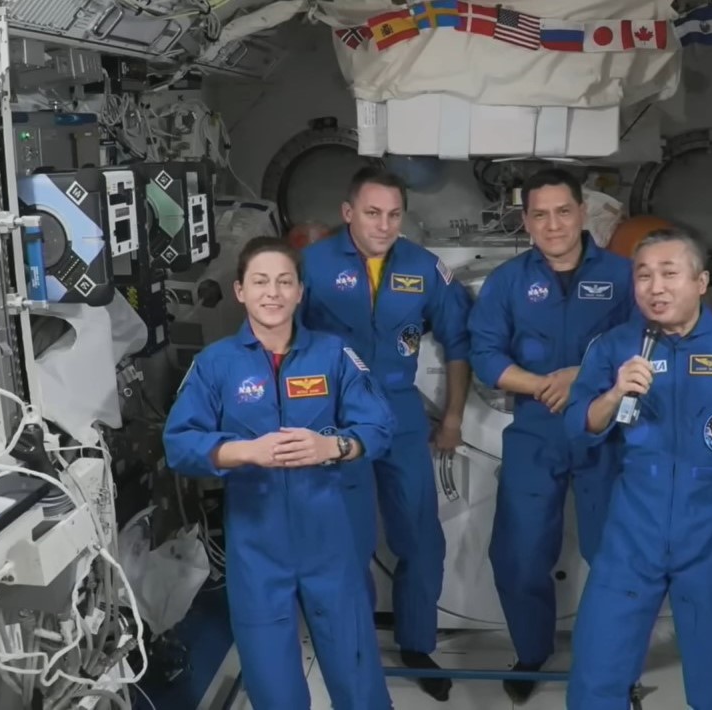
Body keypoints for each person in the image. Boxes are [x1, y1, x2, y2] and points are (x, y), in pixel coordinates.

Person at [563, 229, 712, 709]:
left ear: (701, 282)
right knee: (596, 675)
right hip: (632, 529)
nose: (655, 287)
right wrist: (614, 395)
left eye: (669, 273)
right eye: (644, 275)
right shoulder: (615, 347)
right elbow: (578, 424)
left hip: (709, 531)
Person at [163, 237, 394, 709]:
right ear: (240, 291)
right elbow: (179, 444)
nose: (273, 293)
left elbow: (380, 426)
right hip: (257, 548)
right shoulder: (216, 364)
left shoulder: (333, 356)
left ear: (300, 292)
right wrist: (244, 452)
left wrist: (332, 445)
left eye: (284, 281)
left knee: (357, 677)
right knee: (272, 686)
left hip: (330, 539)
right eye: (261, 282)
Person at [300, 167, 472, 701]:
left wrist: (452, 418)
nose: (384, 224)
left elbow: (459, 344)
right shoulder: (313, 265)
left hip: (398, 414)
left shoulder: (424, 269)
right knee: (347, 545)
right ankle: (353, 649)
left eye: (394, 214)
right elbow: (279, 335)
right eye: (372, 213)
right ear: (348, 212)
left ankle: (417, 642)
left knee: (421, 537)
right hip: (334, 416)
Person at [468, 168, 635, 703]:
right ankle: (532, 650)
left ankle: (611, 664)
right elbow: (486, 356)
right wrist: (543, 383)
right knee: (517, 554)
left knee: (613, 555)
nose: (552, 224)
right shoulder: (509, 282)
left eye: (563, 211)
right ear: (526, 221)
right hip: (537, 428)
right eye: (539, 214)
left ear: (582, 213)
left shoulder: (624, 275)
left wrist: (581, 376)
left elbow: (646, 344)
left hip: (604, 428)